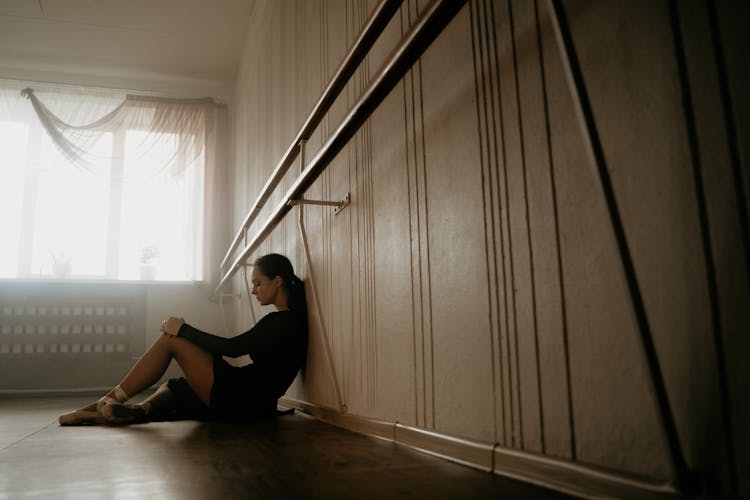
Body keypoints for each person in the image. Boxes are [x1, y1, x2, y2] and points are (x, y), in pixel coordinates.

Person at [59, 253, 308, 426]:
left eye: (257, 283)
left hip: (244, 398)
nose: (253, 290)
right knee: (177, 386)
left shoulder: (283, 321)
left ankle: (109, 402)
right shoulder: (286, 321)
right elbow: (233, 349)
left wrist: (184, 330)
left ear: (277, 281)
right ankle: (136, 411)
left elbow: (232, 348)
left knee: (172, 341)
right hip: (254, 402)